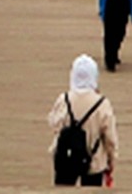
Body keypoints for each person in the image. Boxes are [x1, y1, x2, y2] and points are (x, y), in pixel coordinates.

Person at [47, 53, 118, 186]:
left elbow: (54, 123)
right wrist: (111, 160)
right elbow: (110, 138)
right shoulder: (102, 103)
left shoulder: (64, 99)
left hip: (66, 157)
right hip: (94, 160)